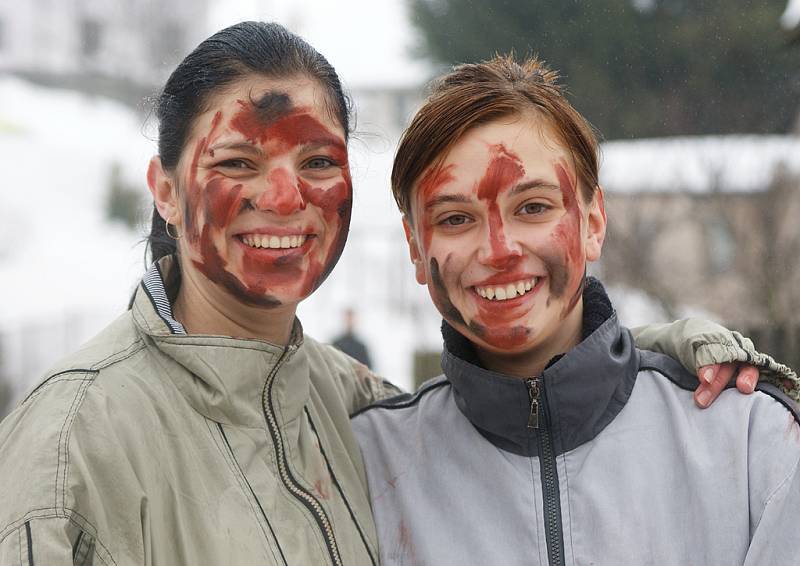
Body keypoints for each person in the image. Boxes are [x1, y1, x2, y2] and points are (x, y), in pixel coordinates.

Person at [0, 22, 789, 565]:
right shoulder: (72, 438)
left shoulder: (349, 409)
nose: (283, 198)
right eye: (237, 162)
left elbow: (549, 399)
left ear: (592, 221)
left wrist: (657, 356)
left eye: (316, 163)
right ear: (164, 190)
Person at [352, 55, 800, 566]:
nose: (498, 250)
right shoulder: (367, 465)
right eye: (455, 219)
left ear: (593, 222)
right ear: (415, 248)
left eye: (533, 207)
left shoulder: (750, 438)